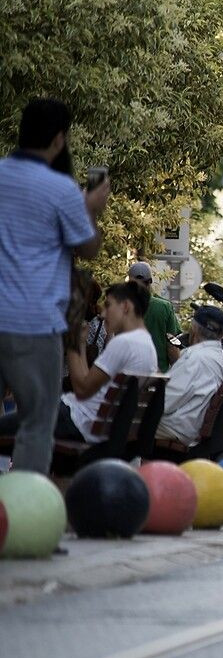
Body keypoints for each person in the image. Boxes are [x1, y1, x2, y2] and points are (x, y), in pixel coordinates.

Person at [0, 98, 109, 474]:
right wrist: (91, 208)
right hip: (34, 323)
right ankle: (23, 512)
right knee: (36, 422)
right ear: (59, 139)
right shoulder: (61, 190)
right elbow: (88, 248)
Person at [0, 282, 156, 445]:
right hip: (92, 424)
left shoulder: (124, 343)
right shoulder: (147, 346)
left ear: (125, 307)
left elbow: (81, 389)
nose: (103, 314)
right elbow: (87, 381)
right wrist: (80, 343)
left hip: (75, 420)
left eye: (108, 305)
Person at [156, 306, 223, 445]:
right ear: (221, 335)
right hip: (192, 428)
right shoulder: (219, 358)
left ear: (194, 329)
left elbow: (164, 404)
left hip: (176, 429)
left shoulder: (195, 358)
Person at [127, 261, 180, 372]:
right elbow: (172, 347)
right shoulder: (165, 307)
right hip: (158, 377)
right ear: (150, 281)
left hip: (128, 375)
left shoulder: (121, 307)